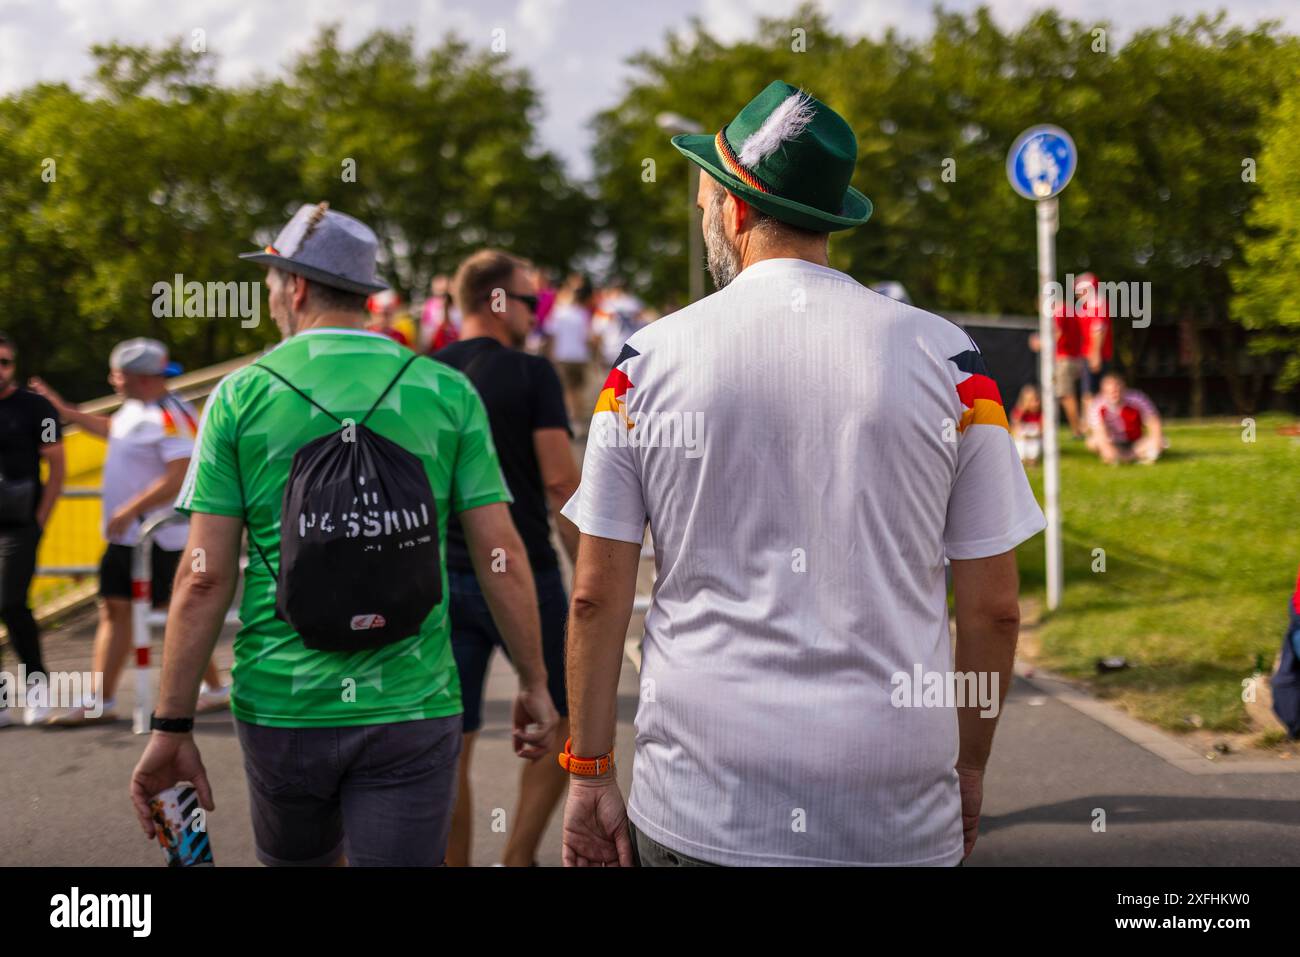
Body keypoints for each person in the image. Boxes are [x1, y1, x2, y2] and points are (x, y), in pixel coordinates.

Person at [558, 81, 1045, 867]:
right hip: (892, 806)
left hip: (701, 801)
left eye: (705, 196)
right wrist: (969, 766)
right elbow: (995, 611)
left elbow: (595, 594)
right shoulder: (953, 362)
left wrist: (588, 770)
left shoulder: (643, 366)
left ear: (738, 212)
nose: (699, 211)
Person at [129, 203, 558, 867]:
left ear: (295, 286)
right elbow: (500, 556)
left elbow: (204, 574)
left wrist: (172, 723)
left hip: (283, 704)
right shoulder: (445, 390)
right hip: (412, 703)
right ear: (365, 293)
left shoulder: (240, 396)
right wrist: (533, 679)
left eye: (273, 284)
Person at [435, 249, 582, 867]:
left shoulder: (424, 373)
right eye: (532, 301)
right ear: (498, 301)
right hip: (525, 575)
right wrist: (590, 575)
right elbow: (559, 483)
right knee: (563, 722)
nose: (538, 313)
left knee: (448, 746)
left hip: (445, 576)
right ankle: (517, 857)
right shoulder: (532, 373)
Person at [31, 339, 227, 725]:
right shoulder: (140, 409)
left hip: (157, 537)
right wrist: (65, 411)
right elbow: (114, 430)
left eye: (116, 374)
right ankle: (101, 699)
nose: (111, 380)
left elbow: (180, 473)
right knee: (116, 609)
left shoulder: (170, 416)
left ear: (137, 378)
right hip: (132, 537)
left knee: (176, 615)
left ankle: (213, 688)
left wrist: (130, 508)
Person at [0, 334, 64, 728]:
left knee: (10, 603)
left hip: (19, 524)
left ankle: (37, 689)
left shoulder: (36, 408)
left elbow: (56, 462)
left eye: (5, 362)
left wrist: (41, 517)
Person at [545, 273, 596, 428]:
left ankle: (574, 419)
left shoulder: (559, 313)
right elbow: (588, 337)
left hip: (564, 355)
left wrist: (549, 354)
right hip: (579, 356)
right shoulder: (582, 313)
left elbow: (550, 335)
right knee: (578, 389)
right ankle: (578, 418)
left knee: (568, 390)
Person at [1085, 373, 1164, 465]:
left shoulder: (1138, 399)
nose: (1114, 393)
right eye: (1110, 391)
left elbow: (1153, 422)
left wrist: (1156, 441)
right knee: (1092, 442)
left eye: (1117, 390)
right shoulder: (1098, 405)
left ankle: (1127, 456)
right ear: (1103, 391)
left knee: (1160, 442)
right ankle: (1133, 456)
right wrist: (1107, 449)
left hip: (1136, 441)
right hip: (1113, 441)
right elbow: (1099, 432)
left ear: (1124, 388)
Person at [1075, 272, 1113, 414]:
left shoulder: (1098, 304)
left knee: (1092, 391)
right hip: (1088, 353)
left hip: (1096, 354)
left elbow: (1098, 329)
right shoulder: (1084, 306)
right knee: (1088, 391)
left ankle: (1094, 423)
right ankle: (1091, 423)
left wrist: (1095, 353)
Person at [1052, 282, 1086, 439]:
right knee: (1074, 395)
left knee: (1066, 395)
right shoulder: (1073, 311)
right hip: (1076, 358)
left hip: (1064, 359)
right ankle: (1081, 428)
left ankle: (1077, 431)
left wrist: (1042, 344)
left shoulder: (1059, 311)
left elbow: (1057, 333)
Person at [1010, 384, 1043, 466]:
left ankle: (1032, 459)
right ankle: (1021, 458)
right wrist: (1023, 410)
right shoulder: (1019, 411)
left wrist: (1032, 436)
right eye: (1030, 401)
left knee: (1033, 436)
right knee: (1020, 438)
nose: (1035, 404)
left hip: (1035, 438)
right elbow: (1014, 425)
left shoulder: (1041, 414)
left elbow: (1042, 430)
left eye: (1036, 400)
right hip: (1022, 438)